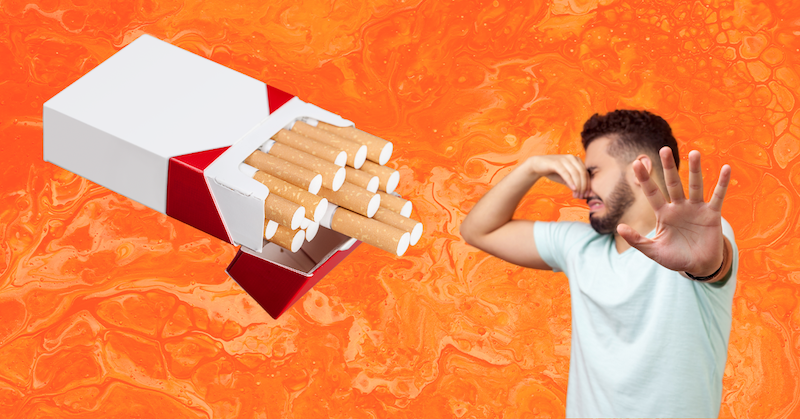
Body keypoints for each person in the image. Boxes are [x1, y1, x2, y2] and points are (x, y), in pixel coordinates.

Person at [460, 110, 737, 418]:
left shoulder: (700, 236)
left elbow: (711, 264)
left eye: (593, 172)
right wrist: (532, 167)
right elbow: (477, 230)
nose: (581, 189)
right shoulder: (579, 245)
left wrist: (706, 266)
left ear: (639, 168)